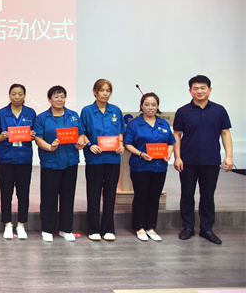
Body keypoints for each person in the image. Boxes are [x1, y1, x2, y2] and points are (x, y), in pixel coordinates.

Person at [174, 75, 233, 245]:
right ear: (190, 91)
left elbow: (225, 133)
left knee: (208, 195)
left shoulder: (219, 110)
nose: (199, 91)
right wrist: (177, 157)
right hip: (188, 161)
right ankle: (188, 227)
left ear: (210, 89)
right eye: (195, 88)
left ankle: (207, 229)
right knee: (187, 194)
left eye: (203, 88)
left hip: (211, 160)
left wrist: (229, 156)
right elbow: (177, 135)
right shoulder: (183, 111)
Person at [34, 85, 85, 242]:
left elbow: (81, 134)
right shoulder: (42, 118)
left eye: (62, 96)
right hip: (50, 162)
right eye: (56, 96)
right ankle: (47, 229)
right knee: (49, 197)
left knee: (68, 196)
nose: (59, 99)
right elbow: (38, 138)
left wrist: (80, 143)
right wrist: (49, 147)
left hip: (70, 161)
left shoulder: (73, 116)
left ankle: (66, 229)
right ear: (49, 99)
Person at [123, 93, 175, 242]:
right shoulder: (134, 124)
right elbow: (127, 144)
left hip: (160, 167)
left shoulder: (163, 124)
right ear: (141, 106)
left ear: (157, 106)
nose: (150, 107)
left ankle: (151, 227)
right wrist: (140, 154)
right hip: (141, 166)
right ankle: (139, 227)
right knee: (141, 196)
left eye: (153, 105)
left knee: (154, 197)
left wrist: (168, 154)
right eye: (147, 104)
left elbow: (171, 143)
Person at [80, 79, 126, 241]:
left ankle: (108, 229)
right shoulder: (87, 111)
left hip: (113, 159)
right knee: (93, 194)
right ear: (95, 92)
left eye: (108, 91)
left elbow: (120, 131)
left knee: (110, 194)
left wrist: (121, 144)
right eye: (101, 90)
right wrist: (90, 145)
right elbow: (82, 132)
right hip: (95, 159)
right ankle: (93, 229)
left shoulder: (116, 110)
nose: (105, 93)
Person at [0, 84, 36, 240]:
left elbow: (36, 134)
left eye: (20, 94)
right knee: (6, 193)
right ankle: (7, 225)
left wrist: (33, 135)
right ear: (9, 95)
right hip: (6, 158)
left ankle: (21, 225)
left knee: (23, 193)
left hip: (24, 159)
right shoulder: (1, 113)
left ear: (24, 95)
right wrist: (1, 136)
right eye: (14, 94)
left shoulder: (30, 113)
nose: (17, 97)